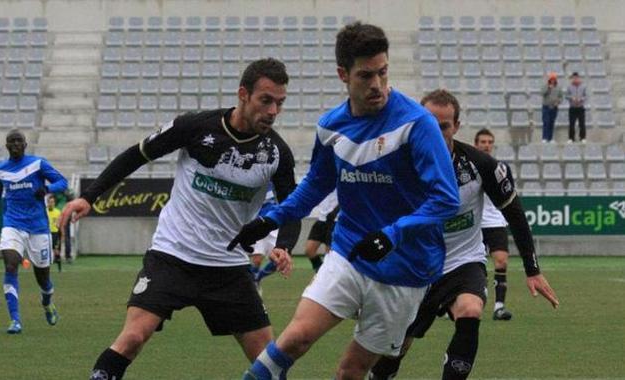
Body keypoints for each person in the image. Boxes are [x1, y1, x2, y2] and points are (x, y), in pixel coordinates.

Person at [231, 22, 461, 380]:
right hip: (349, 251)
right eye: (366, 75)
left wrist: (394, 233)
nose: (377, 85)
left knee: (350, 372)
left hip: (406, 269)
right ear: (343, 74)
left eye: (383, 73)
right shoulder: (331, 126)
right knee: (294, 338)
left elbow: (446, 199)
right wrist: (271, 219)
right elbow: (315, 185)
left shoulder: (417, 124)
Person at [58, 58, 301, 380]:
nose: (273, 111)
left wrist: (284, 245)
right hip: (173, 256)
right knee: (132, 337)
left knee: (269, 362)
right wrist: (89, 196)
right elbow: (137, 155)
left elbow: (292, 207)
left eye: (280, 103)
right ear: (243, 94)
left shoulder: (276, 153)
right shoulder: (196, 127)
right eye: (265, 100)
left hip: (228, 267)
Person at [368, 89, 559, 380]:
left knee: (470, 310)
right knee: (395, 349)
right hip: (415, 265)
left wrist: (532, 269)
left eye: (443, 125)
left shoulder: (481, 165)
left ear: (456, 126)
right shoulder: (398, 164)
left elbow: (515, 215)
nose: (436, 130)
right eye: (429, 122)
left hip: (462, 261)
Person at [0, 129, 68, 334]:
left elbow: (62, 182)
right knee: (11, 265)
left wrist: (47, 189)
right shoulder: (0, 169)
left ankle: (47, 302)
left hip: (38, 227)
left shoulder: (38, 163)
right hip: (12, 223)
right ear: (6, 146)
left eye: (19, 141)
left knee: (43, 279)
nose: (15, 144)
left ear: (25, 144)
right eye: (11, 141)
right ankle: (15, 320)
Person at [473, 128, 514, 320]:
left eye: (490, 142)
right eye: (483, 142)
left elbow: (510, 195)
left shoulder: (502, 168)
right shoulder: (468, 167)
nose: (486, 145)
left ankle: (499, 307)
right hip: (474, 223)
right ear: (476, 144)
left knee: (501, 261)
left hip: (496, 221)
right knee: (474, 265)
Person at [302, 191, 339, 272]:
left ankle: (327, 277)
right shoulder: (322, 180)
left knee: (330, 255)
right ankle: (320, 273)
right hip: (322, 219)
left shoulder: (340, 180)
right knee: (309, 250)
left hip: (335, 221)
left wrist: (335, 212)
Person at [540, 72, 563, 143]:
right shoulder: (545, 86)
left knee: (551, 122)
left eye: (554, 79)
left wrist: (558, 102)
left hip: (554, 107)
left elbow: (561, 97)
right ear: (549, 79)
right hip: (546, 107)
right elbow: (542, 93)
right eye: (551, 79)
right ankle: (544, 138)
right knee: (546, 122)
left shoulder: (559, 87)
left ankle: (550, 138)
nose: (553, 80)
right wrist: (548, 88)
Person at [566, 72, 587, 143]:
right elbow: (566, 96)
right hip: (572, 108)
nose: (575, 79)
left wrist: (581, 99)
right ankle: (571, 138)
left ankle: (583, 138)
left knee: (582, 123)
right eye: (573, 78)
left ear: (578, 78)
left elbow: (586, 96)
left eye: (576, 78)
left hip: (581, 107)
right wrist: (572, 98)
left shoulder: (583, 86)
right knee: (571, 124)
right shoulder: (569, 86)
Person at [46, 195, 63, 272]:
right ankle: (45, 267)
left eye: (52, 202)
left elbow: (60, 224)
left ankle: (59, 268)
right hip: (46, 233)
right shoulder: (44, 211)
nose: (51, 203)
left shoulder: (58, 212)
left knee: (56, 249)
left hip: (55, 233)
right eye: (49, 202)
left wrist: (62, 233)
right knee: (46, 250)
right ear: (47, 203)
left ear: (54, 203)